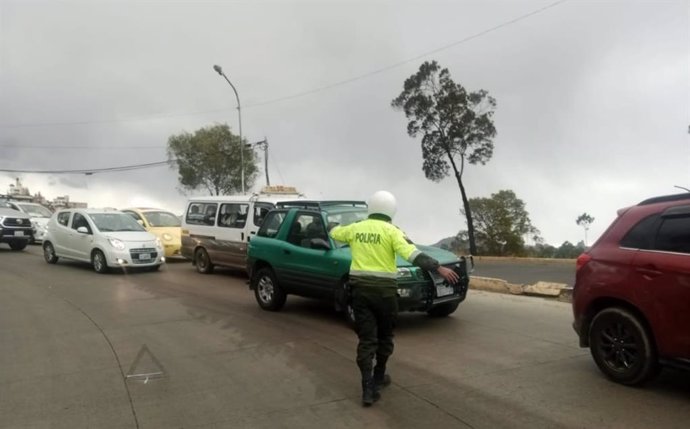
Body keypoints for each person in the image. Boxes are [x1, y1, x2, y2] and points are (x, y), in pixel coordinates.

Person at [329, 190, 459, 407]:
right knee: (385, 336)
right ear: (391, 210)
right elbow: (412, 254)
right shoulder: (392, 231)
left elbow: (335, 233)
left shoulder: (355, 228)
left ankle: (367, 389)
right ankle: (379, 376)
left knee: (366, 339)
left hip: (360, 293)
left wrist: (333, 225)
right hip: (385, 294)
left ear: (371, 208)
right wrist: (438, 268)